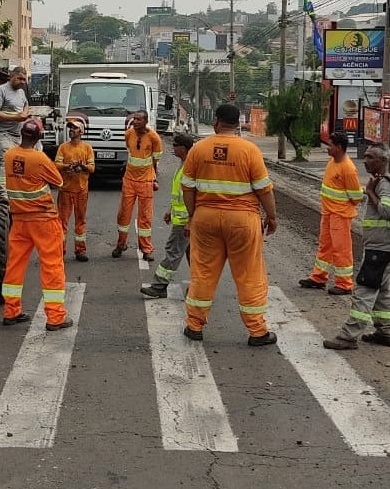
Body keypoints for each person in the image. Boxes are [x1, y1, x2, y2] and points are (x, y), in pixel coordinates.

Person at [180, 102, 278, 346]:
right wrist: (272, 216)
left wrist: (194, 215)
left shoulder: (198, 149)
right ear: (238, 123)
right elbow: (264, 189)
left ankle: (194, 325)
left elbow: (187, 187)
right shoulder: (249, 150)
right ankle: (257, 331)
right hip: (242, 220)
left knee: (203, 273)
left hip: (205, 218)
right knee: (249, 274)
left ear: (216, 121)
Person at [323, 142, 390, 351]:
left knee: (365, 289)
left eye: (370, 157)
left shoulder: (384, 184)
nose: (365, 160)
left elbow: (385, 210)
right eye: (365, 156)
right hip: (383, 247)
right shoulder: (382, 181)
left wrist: (370, 192)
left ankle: (348, 336)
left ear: (383, 161)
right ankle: (384, 332)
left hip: (381, 249)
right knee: (384, 290)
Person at [1, 118, 72, 332]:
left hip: (19, 220)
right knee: (52, 266)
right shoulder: (40, 158)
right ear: (39, 137)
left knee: (14, 265)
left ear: (21, 134)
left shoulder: (9, 155)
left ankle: (10, 311)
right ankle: (55, 317)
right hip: (43, 220)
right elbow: (58, 181)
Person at [298, 131, 364, 296]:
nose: (327, 148)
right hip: (328, 213)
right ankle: (319, 277)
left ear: (339, 147)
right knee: (325, 246)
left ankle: (344, 284)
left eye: (330, 145)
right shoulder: (332, 162)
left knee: (341, 249)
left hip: (340, 215)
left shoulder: (348, 169)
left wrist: (340, 206)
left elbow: (356, 197)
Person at [140, 130, 194, 298]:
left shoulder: (190, 167)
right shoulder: (184, 164)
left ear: (184, 149)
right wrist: (170, 210)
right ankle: (199, 288)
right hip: (182, 218)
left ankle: (159, 286)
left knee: (173, 251)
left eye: (175, 146)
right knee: (193, 255)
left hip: (185, 220)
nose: (173, 149)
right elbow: (179, 193)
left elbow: (193, 195)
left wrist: (190, 220)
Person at [112, 109, 163, 261]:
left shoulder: (154, 138)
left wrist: (154, 179)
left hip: (146, 181)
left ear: (146, 121)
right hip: (129, 180)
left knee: (145, 217)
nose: (135, 121)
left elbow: (155, 161)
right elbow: (130, 151)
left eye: (139, 119)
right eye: (134, 118)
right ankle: (121, 245)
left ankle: (146, 249)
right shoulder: (129, 134)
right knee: (123, 215)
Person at [55, 116, 95, 262]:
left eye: (75, 128)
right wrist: (68, 166)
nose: (71, 130)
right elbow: (57, 165)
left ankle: (80, 250)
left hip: (81, 190)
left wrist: (82, 166)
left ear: (81, 131)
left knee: (80, 220)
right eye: (70, 128)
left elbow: (92, 168)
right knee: (62, 222)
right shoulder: (63, 147)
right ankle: (60, 251)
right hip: (65, 190)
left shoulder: (87, 148)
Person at [0, 67, 30, 185]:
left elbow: (26, 104)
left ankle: (16, 189)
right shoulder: (1, 90)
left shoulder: (21, 92)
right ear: (12, 76)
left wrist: (25, 113)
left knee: (19, 163)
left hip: (17, 135)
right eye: (20, 78)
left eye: (24, 79)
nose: (22, 82)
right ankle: (3, 193)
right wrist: (16, 118)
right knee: (6, 161)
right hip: (3, 134)